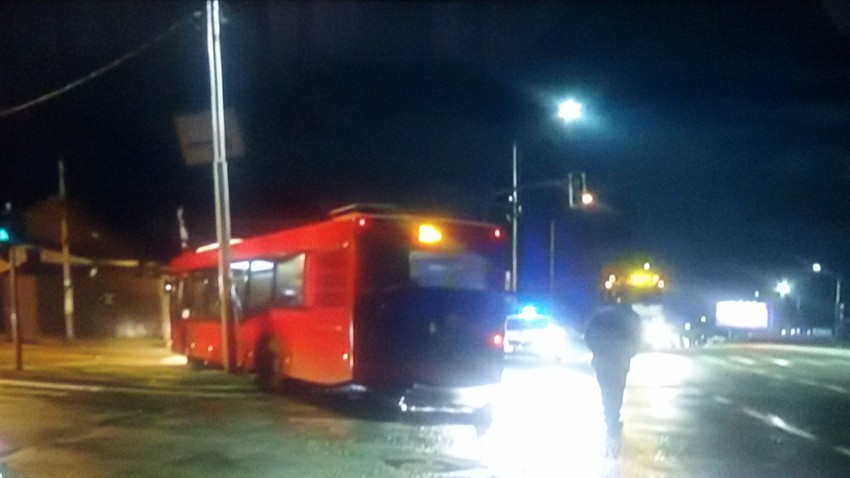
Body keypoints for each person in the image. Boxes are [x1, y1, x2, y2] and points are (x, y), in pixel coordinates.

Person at [584, 301, 642, 442]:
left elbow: (588, 336)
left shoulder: (600, 316)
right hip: (619, 360)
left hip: (602, 359)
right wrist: (628, 353)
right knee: (617, 387)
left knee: (606, 387)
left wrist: (597, 351)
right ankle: (613, 415)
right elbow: (636, 339)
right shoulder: (631, 318)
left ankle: (610, 414)